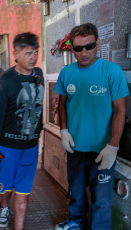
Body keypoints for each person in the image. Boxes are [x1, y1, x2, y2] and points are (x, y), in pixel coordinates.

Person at [54, 23, 129, 230]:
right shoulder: (67, 72)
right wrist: (63, 130)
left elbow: (120, 110)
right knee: (76, 192)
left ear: (97, 44)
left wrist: (113, 146)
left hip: (102, 149)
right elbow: (61, 103)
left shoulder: (111, 71)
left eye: (89, 46)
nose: (84, 52)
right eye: (78, 48)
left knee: (101, 198)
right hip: (75, 146)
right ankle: (76, 222)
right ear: (72, 48)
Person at [0, 32, 44, 230]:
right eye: (28, 53)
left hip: (30, 146)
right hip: (8, 147)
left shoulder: (39, 74)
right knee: (6, 187)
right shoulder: (5, 80)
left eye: (35, 52)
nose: (33, 57)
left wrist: (39, 131)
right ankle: (4, 206)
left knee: (23, 192)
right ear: (16, 54)